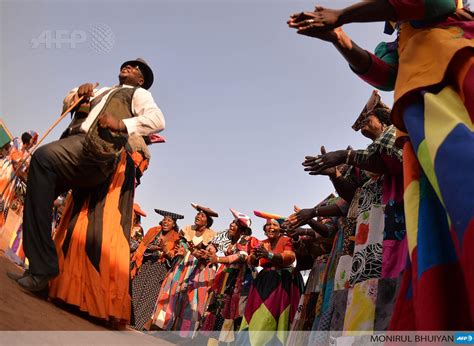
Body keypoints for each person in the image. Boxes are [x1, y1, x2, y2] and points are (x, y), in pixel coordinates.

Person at [288, 1, 473, 329]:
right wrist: (339, 38)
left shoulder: (446, 14)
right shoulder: (396, 42)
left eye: (364, 124)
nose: (362, 131)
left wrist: (343, 14)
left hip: (459, 78)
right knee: (438, 241)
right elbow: (385, 75)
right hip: (421, 116)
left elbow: (429, 2)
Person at [13, 58, 165, 292]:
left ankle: (44, 270)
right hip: (73, 144)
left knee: (42, 158)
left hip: (94, 153)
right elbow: (68, 106)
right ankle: (39, 271)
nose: (128, 67)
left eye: (135, 68)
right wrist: (77, 94)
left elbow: (157, 121)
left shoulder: (138, 94)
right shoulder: (101, 89)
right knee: (37, 196)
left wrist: (122, 124)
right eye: (127, 64)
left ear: (141, 79)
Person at [150, 203, 218, 337]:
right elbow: (179, 247)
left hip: (198, 272)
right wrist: (177, 250)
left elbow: (208, 255)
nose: (198, 215)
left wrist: (195, 251)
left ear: (208, 221)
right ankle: (161, 327)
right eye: (198, 213)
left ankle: (182, 335)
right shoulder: (187, 229)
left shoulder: (212, 236)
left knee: (192, 301)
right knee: (170, 295)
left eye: (202, 215)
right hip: (181, 267)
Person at [238, 212, 303, 346]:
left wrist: (268, 255)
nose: (271, 227)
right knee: (259, 317)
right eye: (268, 225)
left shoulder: (287, 240)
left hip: (284, 281)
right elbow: (252, 261)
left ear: (280, 228)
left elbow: (289, 257)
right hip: (264, 282)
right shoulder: (260, 243)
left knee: (280, 317)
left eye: (274, 224)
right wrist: (255, 256)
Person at [200, 209, 257, 344]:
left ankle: (229, 343)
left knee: (234, 313)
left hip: (240, 281)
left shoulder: (246, 240)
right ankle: (212, 343)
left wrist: (218, 260)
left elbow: (240, 256)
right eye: (232, 222)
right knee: (219, 311)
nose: (231, 225)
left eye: (236, 224)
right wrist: (206, 255)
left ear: (243, 230)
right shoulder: (230, 241)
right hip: (226, 279)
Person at [129, 208, 182, 331]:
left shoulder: (176, 238)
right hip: (145, 264)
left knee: (149, 296)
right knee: (135, 290)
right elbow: (142, 246)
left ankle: (137, 324)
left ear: (174, 224)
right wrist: (152, 248)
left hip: (159, 269)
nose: (165, 222)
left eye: (169, 220)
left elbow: (175, 257)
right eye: (164, 219)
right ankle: (127, 318)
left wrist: (164, 249)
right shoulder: (153, 230)